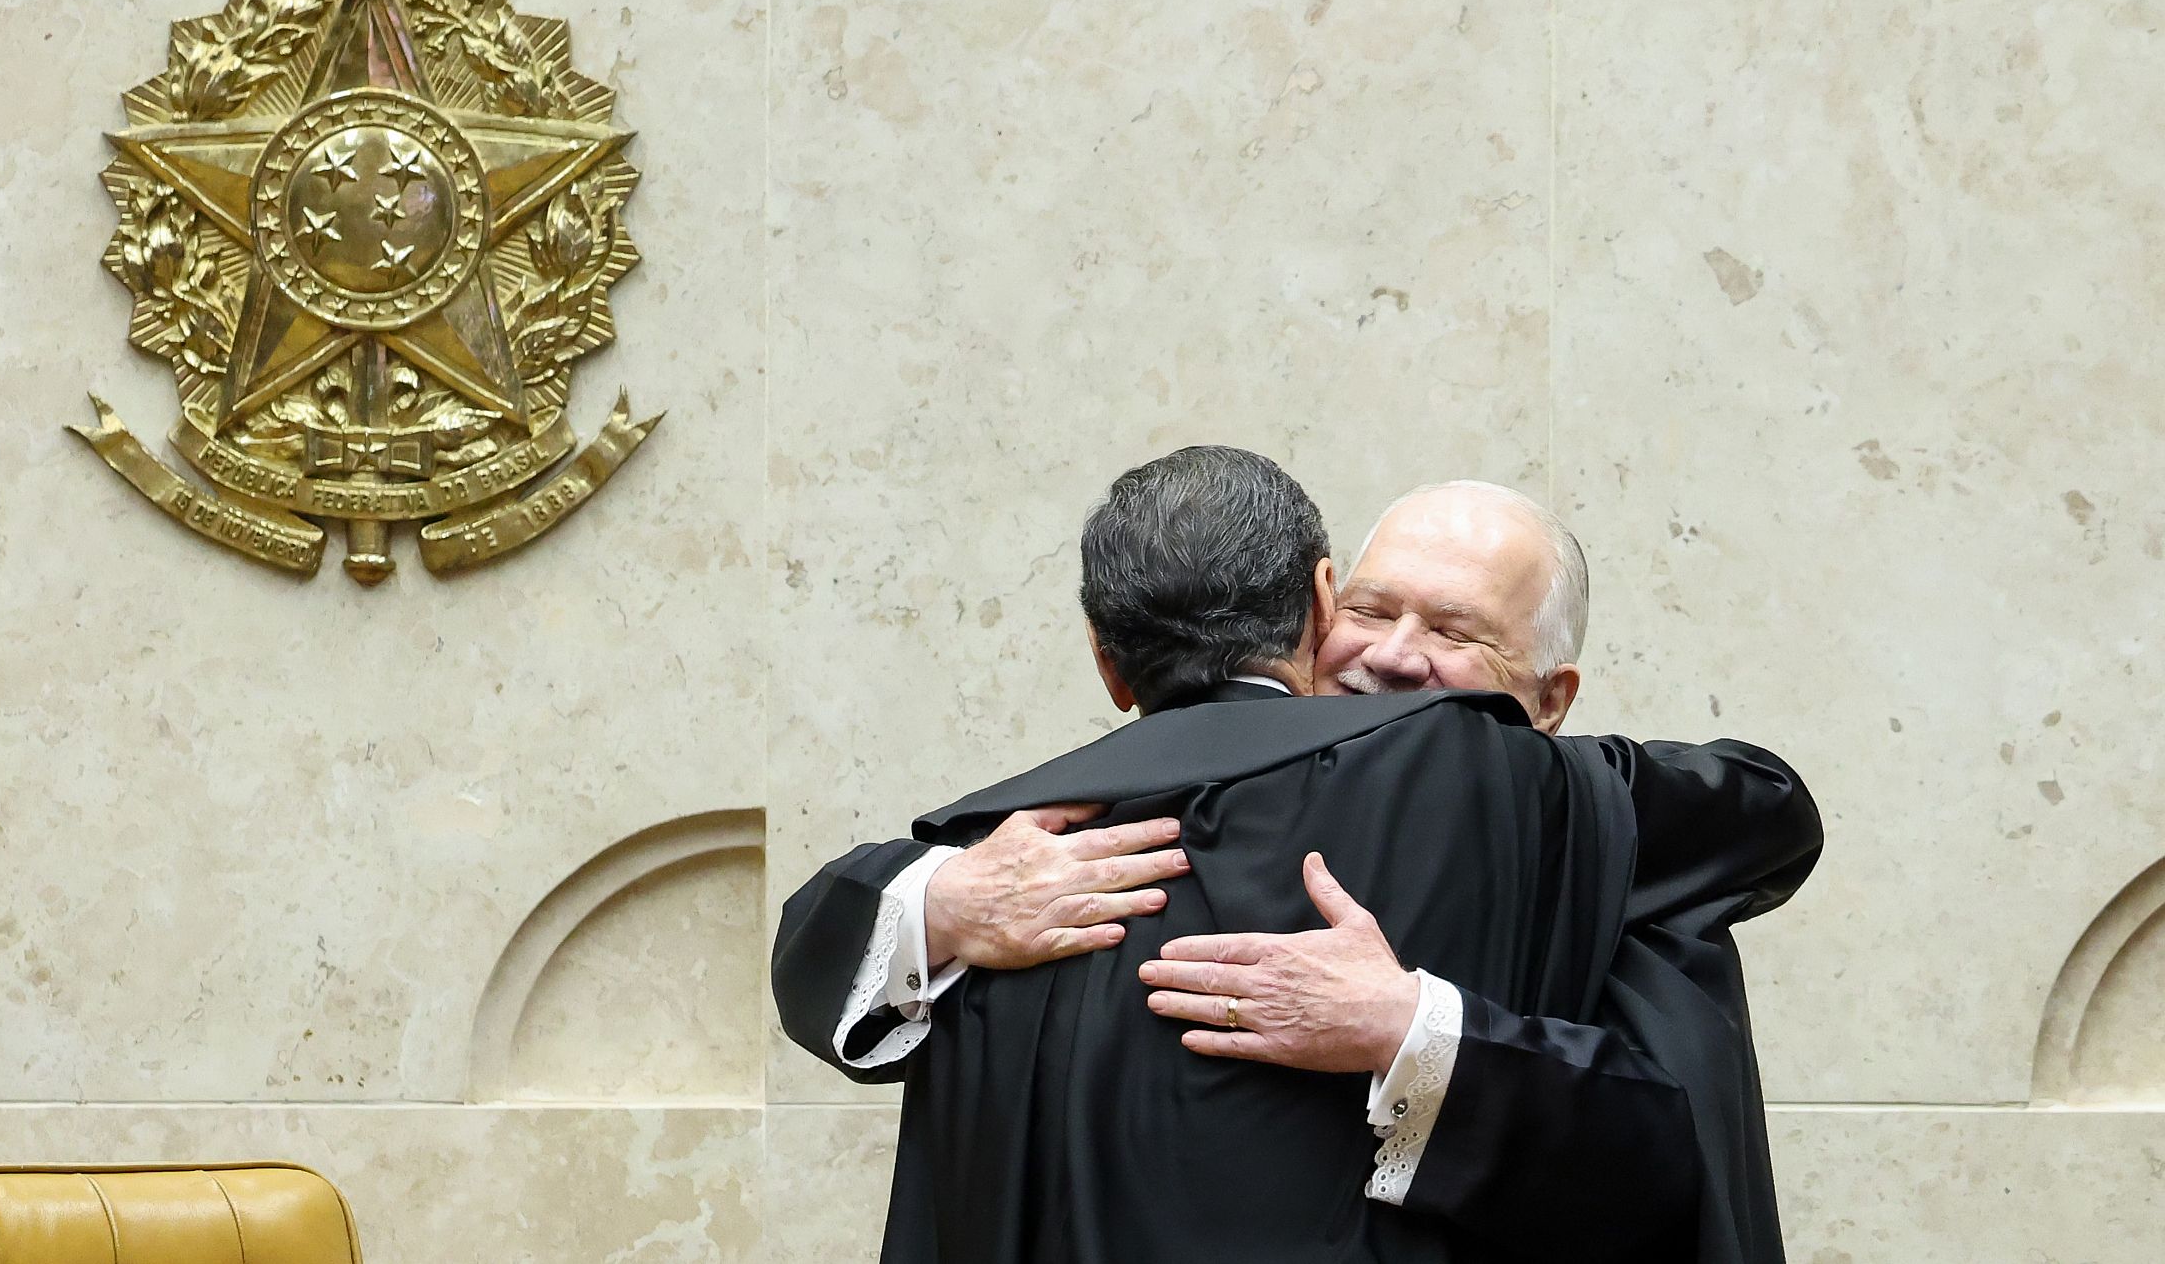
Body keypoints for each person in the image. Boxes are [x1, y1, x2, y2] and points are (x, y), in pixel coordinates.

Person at [774, 475, 1820, 1263]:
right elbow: (825, 937)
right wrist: (942, 900)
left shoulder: (1551, 827)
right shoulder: (1035, 841)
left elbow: (1671, 1153)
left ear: (1549, 703)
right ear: (1320, 609)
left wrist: (1415, 1027)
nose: (1398, 656)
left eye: (1457, 633)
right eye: (1374, 611)